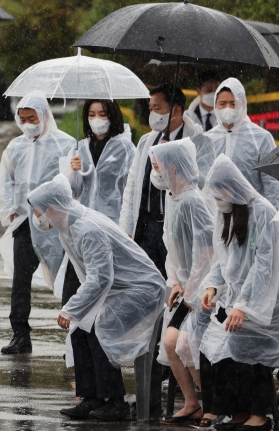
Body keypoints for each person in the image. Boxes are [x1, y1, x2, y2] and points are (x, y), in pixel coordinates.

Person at [27, 174, 165, 422]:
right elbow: (94, 277)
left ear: (52, 208)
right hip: (118, 288)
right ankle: (92, 397)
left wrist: (71, 309)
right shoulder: (67, 227)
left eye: (38, 211)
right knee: (81, 331)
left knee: (100, 328)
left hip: (141, 289)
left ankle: (116, 402)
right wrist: (81, 311)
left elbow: (100, 278)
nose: (36, 217)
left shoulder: (87, 229)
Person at [119, 84, 214, 418]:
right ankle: (155, 388)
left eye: (157, 107)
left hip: (180, 227)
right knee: (149, 304)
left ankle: (202, 400)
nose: (152, 113)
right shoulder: (147, 142)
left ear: (175, 109)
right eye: (149, 107)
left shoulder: (197, 139)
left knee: (175, 321)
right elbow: (133, 186)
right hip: (151, 229)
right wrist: (126, 229)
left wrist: (175, 161)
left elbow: (201, 184)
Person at [198, 154, 279, 430]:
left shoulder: (263, 211)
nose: (217, 199)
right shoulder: (226, 214)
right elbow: (223, 261)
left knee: (254, 352)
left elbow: (264, 264)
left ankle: (259, 414)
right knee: (224, 347)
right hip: (238, 299)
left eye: (220, 192)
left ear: (233, 188)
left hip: (265, 300)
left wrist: (244, 304)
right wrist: (212, 286)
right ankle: (239, 410)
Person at [0, 93, 75, 354]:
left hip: (54, 223)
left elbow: (69, 182)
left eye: (33, 118)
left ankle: (74, 337)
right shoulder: (15, 146)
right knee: (20, 280)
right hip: (23, 221)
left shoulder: (65, 143)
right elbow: (6, 178)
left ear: (44, 116)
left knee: (67, 276)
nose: (29, 123)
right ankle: (20, 334)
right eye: (24, 119)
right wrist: (9, 206)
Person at [148, 139, 214, 426]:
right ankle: (192, 402)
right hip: (184, 287)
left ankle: (214, 404)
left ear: (172, 166)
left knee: (185, 343)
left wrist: (192, 288)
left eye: (157, 166)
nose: (154, 173)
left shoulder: (192, 201)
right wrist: (174, 280)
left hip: (202, 290)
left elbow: (206, 251)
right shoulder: (173, 199)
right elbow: (172, 249)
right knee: (171, 342)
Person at [59, 99, 135, 307]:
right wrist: (72, 170)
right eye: (91, 115)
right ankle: (76, 333)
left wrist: (126, 228)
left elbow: (130, 189)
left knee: (103, 285)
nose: (96, 120)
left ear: (112, 116)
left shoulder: (125, 148)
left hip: (110, 227)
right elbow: (70, 190)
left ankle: (97, 336)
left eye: (102, 114)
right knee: (74, 286)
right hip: (82, 227)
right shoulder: (80, 148)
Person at [205, 77, 279, 209]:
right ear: (215, 105)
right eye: (222, 103)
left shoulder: (262, 138)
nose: (228, 108)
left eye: (233, 103)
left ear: (243, 105)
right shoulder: (207, 139)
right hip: (214, 217)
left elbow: (273, 184)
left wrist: (271, 219)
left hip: (251, 217)